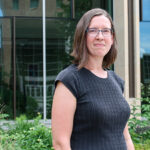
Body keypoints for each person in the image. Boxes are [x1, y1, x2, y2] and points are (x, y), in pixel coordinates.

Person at [51, 8, 135, 150]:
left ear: (112, 38)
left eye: (105, 31)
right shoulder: (69, 80)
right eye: (93, 30)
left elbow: (125, 136)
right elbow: (60, 144)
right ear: (82, 36)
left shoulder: (116, 81)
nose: (100, 36)